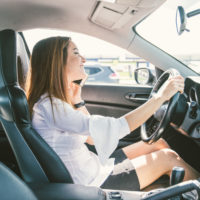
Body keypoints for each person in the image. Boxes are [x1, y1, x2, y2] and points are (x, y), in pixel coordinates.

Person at [26, 36, 200, 191]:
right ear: (57, 62)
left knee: (159, 143)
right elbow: (117, 127)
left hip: (97, 166)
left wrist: (77, 99)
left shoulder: (53, 103)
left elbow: (93, 138)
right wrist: (160, 98)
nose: (84, 59)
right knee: (168, 158)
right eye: (76, 53)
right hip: (93, 182)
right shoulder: (51, 106)